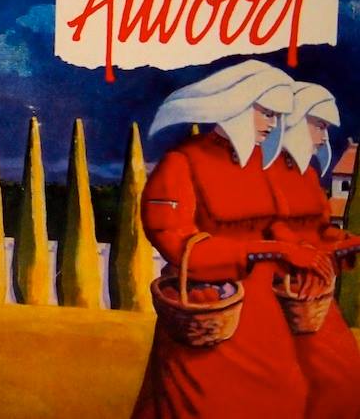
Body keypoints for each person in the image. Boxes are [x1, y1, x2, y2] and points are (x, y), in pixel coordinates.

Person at [132, 60, 336, 419]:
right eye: (267, 113)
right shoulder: (183, 161)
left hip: (263, 307)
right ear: (237, 105)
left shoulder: (262, 163)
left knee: (287, 393)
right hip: (210, 304)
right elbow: (175, 242)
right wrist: (269, 251)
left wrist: (302, 254)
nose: (273, 124)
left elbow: (276, 223)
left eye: (278, 116)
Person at [267, 81, 360, 419]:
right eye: (318, 125)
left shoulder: (307, 174)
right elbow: (269, 226)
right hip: (280, 292)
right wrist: (303, 249)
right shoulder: (264, 171)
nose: (324, 137)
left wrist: (343, 240)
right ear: (292, 123)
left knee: (347, 373)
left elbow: (320, 228)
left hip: (312, 294)